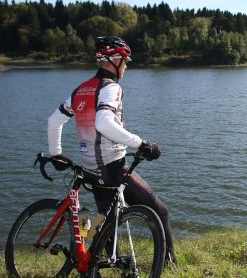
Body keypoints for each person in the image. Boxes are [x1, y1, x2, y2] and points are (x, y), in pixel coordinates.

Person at [47, 36, 176, 263]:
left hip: (91, 169)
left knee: (105, 221)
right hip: (113, 168)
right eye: (125, 61)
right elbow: (103, 122)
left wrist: (56, 153)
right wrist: (141, 143)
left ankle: (105, 263)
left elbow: (54, 120)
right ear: (114, 60)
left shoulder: (82, 89)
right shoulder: (111, 87)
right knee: (160, 212)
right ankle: (170, 263)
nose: (126, 66)